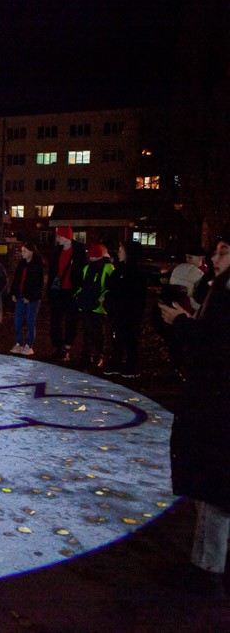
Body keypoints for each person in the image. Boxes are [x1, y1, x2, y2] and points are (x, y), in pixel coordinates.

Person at [160, 239, 230, 592]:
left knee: (217, 489)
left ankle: (208, 568)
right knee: (210, 487)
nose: (214, 259)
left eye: (222, 252)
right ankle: (204, 562)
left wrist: (183, 325)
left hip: (219, 403)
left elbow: (218, 344)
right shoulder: (218, 288)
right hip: (211, 400)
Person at [103, 241, 148, 378]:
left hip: (129, 312)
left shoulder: (136, 273)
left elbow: (136, 295)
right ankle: (116, 362)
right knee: (116, 338)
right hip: (117, 312)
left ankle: (131, 365)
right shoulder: (119, 270)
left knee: (130, 339)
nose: (118, 253)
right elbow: (111, 287)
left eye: (121, 250)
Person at [48, 226, 87, 362]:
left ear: (66, 237)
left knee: (71, 319)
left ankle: (67, 346)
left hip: (72, 290)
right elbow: (53, 271)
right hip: (58, 290)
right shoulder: (57, 251)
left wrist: (79, 290)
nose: (57, 238)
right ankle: (58, 346)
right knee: (55, 320)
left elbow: (82, 272)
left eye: (59, 236)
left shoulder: (78, 251)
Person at [74, 243, 114, 370]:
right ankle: (90, 356)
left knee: (96, 333)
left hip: (95, 305)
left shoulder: (105, 268)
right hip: (90, 304)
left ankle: (95, 355)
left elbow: (110, 287)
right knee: (90, 332)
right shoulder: (100, 267)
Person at [9, 242, 44, 356]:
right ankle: (19, 342)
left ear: (31, 252)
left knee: (30, 320)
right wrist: (14, 292)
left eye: (24, 251)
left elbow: (38, 284)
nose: (22, 253)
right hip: (21, 295)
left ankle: (29, 344)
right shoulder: (22, 264)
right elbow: (16, 279)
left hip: (31, 298)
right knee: (18, 320)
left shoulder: (37, 265)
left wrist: (31, 297)